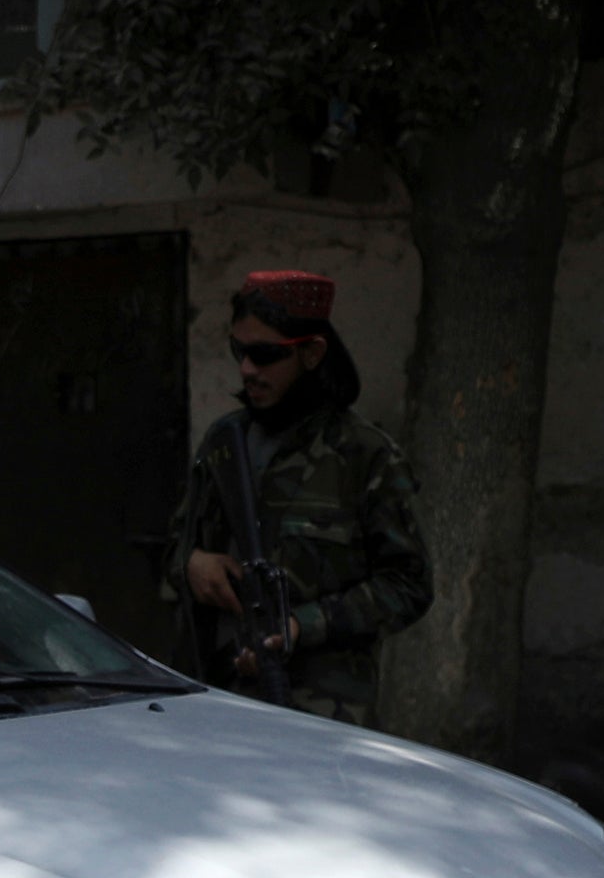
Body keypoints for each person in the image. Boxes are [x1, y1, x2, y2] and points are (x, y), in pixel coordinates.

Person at [165, 269, 428, 725]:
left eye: (265, 354)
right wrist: (192, 566)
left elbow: (408, 585)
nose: (248, 369)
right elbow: (174, 547)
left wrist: (300, 625)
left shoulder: (363, 455)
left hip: (317, 713)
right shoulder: (225, 442)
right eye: (239, 352)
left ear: (311, 353)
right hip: (212, 701)